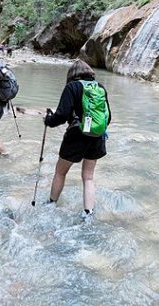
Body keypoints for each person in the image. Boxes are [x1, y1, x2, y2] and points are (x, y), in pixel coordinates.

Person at [45, 59, 111, 220]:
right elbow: (108, 117)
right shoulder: (99, 87)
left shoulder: (72, 87)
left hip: (76, 136)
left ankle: (51, 204)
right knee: (88, 177)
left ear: (72, 74)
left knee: (60, 172)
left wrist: (48, 120)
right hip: (97, 136)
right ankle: (88, 213)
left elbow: (61, 115)